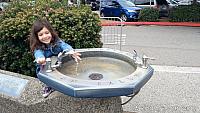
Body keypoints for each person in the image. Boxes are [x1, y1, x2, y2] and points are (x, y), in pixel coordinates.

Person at [30, 19, 81, 98]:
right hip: (46, 68)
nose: (45, 36)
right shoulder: (38, 47)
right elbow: (38, 53)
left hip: (57, 65)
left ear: (51, 32)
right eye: (41, 35)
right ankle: (48, 87)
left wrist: (70, 51)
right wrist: (40, 58)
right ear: (37, 37)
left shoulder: (56, 42)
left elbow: (64, 45)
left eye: (47, 33)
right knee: (48, 78)